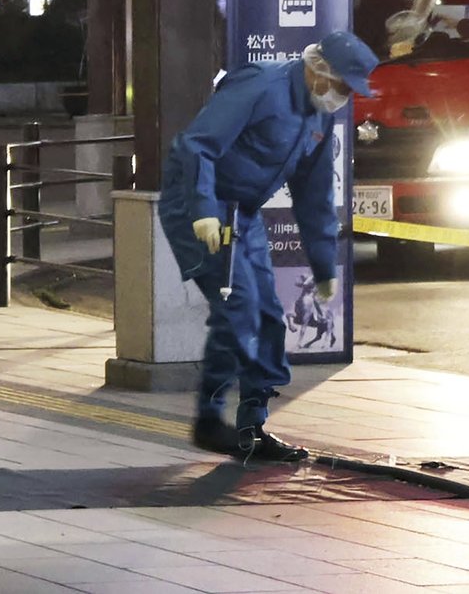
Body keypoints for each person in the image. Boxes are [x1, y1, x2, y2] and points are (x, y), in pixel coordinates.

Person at [157, 31, 379, 461]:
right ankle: (209, 419)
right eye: (343, 87)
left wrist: (324, 265)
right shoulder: (261, 85)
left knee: (269, 317)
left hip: (245, 211)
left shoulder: (319, 114)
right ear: (319, 71)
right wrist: (203, 209)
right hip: (199, 201)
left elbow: (314, 195)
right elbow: (197, 144)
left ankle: (252, 427)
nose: (344, 98)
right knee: (237, 307)